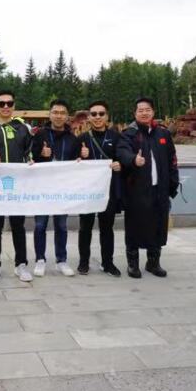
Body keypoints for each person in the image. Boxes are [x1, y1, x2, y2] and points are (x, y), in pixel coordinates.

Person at [116, 97, 179, 278]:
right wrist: (133, 159)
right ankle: (133, 264)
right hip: (137, 189)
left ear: (153, 112)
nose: (144, 113)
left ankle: (153, 262)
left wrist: (172, 184)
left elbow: (172, 160)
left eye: (147, 110)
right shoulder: (129, 133)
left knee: (158, 225)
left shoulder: (163, 134)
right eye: (140, 110)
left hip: (159, 189)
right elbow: (122, 151)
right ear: (135, 113)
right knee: (134, 226)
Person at [0, 89, 33, 282]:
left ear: (13, 106)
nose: (5, 107)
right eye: (1, 103)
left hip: (17, 184)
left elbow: (29, 150)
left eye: (9, 103)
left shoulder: (22, 127)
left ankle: (21, 264)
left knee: (18, 225)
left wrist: (31, 158)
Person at [30, 99, 80, 277]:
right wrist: (40, 154)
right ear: (49, 115)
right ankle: (40, 259)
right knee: (40, 225)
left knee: (61, 226)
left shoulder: (73, 139)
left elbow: (76, 163)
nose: (59, 116)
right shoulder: (39, 135)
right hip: (42, 188)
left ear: (67, 116)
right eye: (55, 112)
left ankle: (61, 260)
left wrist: (81, 159)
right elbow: (30, 157)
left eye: (62, 113)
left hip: (62, 189)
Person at [77, 100, 123, 277]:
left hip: (108, 190)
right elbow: (73, 164)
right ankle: (84, 262)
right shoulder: (82, 138)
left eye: (101, 114)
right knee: (85, 227)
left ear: (107, 116)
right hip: (88, 191)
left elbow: (122, 158)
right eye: (94, 114)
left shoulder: (116, 137)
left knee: (107, 227)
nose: (97, 117)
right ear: (89, 117)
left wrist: (120, 164)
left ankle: (107, 262)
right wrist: (80, 157)